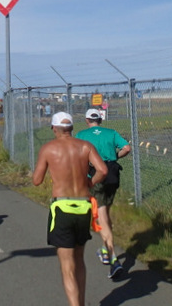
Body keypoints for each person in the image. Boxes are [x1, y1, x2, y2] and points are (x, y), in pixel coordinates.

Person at [33, 112, 107, 306]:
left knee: (67, 266)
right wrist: (90, 182)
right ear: (72, 128)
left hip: (62, 207)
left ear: (54, 128)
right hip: (83, 206)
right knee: (79, 259)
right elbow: (103, 170)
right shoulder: (85, 146)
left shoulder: (49, 148)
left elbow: (36, 180)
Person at [75, 108, 131, 278]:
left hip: (95, 176)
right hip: (113, 175)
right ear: (100, 119)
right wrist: (115, 156)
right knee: (105, 212)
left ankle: (113, 259)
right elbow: (127, 148)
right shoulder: (111, 132)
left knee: (101, 216)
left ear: (87, 120)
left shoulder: (81, 135)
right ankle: (106, 250)